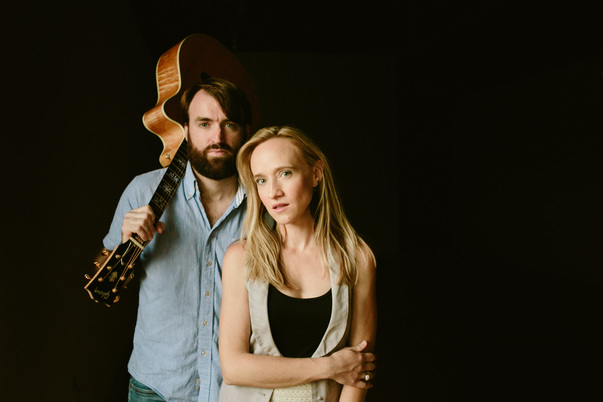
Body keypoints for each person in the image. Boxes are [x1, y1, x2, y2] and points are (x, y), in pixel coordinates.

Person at [104, 79, 375, 402]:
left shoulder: (266, 211)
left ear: (245, 131)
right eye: (204, 124)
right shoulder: (144, 193)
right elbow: (106, 284)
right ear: (186, 130)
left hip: (231, 390)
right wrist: (126, 246)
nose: (217, 137)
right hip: (159, 386)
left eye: (229, 124)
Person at [219, 126, 378, 402]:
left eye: (285, 174)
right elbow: (233, 368)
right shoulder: (242, 258)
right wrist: (329, 367)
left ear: (316, 173)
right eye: (261, 180)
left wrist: (344, 370)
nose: (273, 192)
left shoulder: (357, 258)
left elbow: (359, 370)